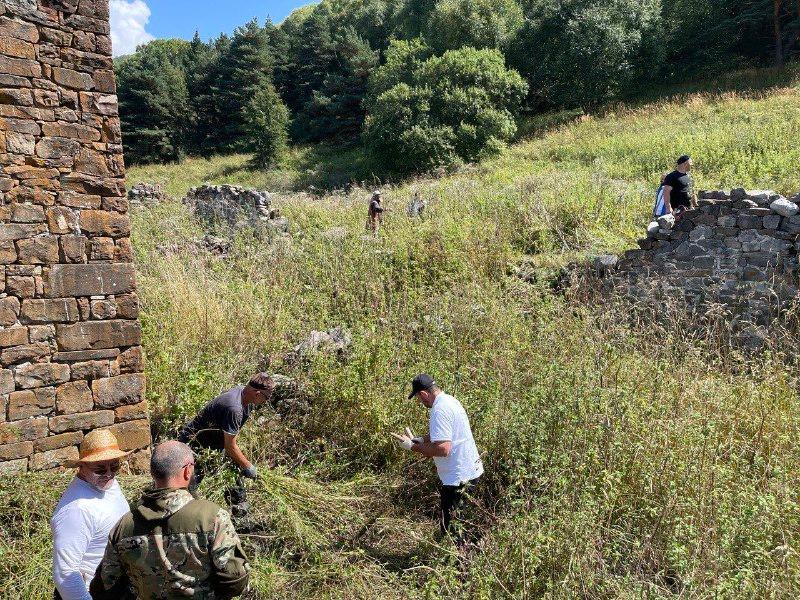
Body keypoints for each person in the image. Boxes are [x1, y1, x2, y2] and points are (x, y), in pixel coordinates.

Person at [89, 441, 250, 599]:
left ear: (153, 474)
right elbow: (235, 581)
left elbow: (104, 587)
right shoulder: (212, 517)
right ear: (187, 471)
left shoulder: (124, 526)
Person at [391, 374, 484, 543]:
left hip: (457, 478)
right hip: (469, 471)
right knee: (463, 523)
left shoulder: (439, 410)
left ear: (424, 394)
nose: (421, 402)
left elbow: (443, 449)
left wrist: (412, 446)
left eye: (419, 398)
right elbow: (444, 434)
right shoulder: (449, 400)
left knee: (451, 530)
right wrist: (422, 440)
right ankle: (469, 555)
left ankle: (457, 564)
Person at [177, 373, 275, 516]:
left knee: (234, 477)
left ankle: (241, 519)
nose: (266, 401)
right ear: (257, 393)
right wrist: (248, 466)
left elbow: (230, 440)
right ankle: (181, 522)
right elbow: (230, 446)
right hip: (194, 447)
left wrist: (238, 459)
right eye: (266, 397)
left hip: (216, 445)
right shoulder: (234, 408)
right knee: (186, 491)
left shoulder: (245, 397)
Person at [51, 429, 131, 600]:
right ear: (81, 467)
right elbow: (65, 574)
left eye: (114, 466)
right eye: (100, 469)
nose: (109, 474)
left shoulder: (107, 484)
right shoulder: (76, 510)